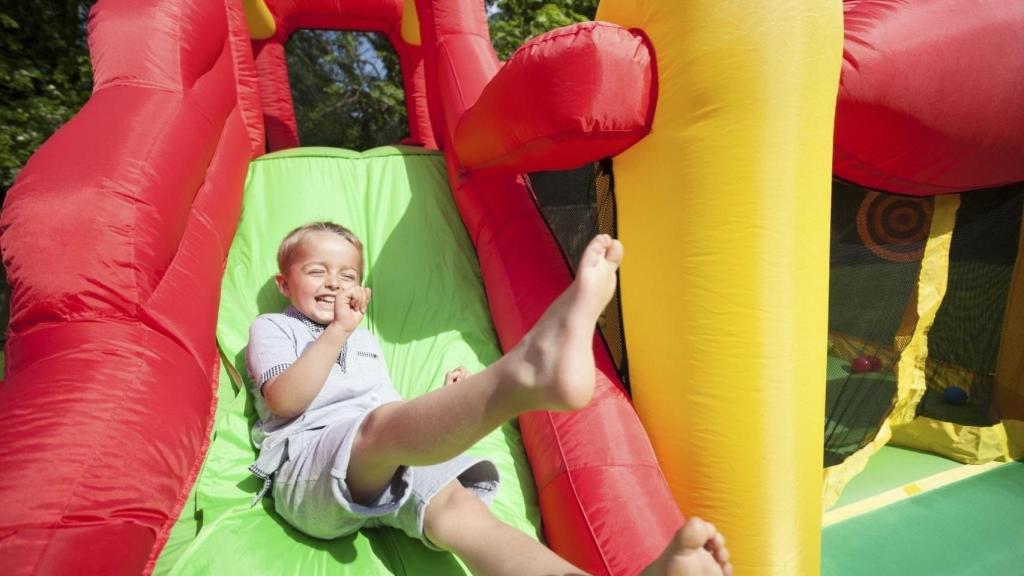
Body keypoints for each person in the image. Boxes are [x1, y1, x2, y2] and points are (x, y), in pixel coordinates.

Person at [246, 221, 733, 576]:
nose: (334, 282)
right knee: (378, 432)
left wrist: (444, 407)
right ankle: (522, 373)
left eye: (348, 275)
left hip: (380, 451)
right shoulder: (274, 327)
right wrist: (336, 333)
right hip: (306, 468)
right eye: (317, 271)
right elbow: (287, 400)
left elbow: (385, 408)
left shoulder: (364, 341)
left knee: (465, 515)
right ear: (285, 284)